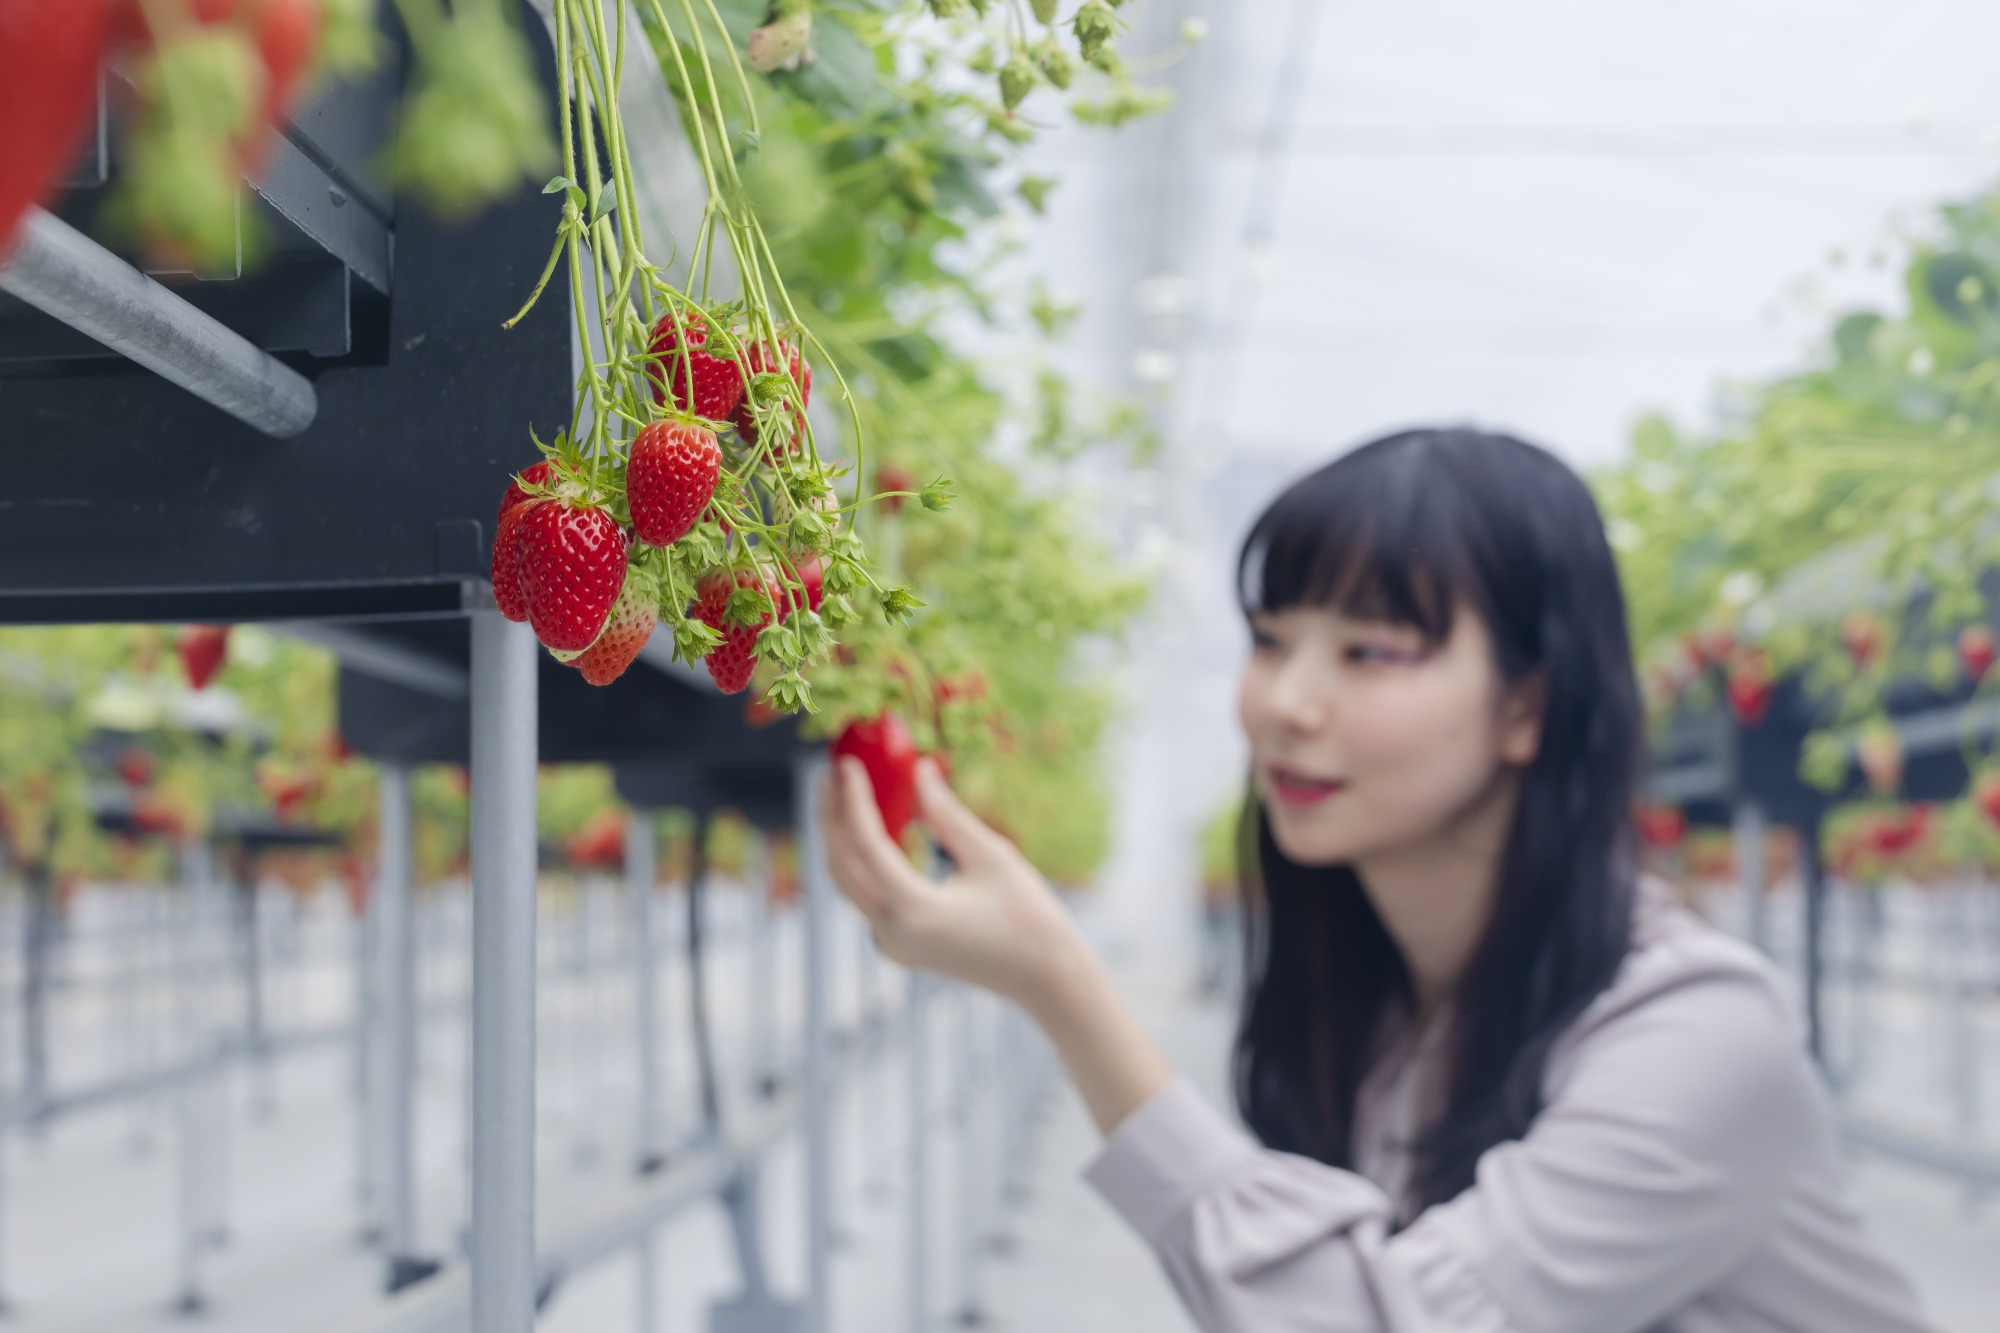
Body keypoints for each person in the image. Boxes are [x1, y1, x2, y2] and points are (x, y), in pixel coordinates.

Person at [819, 427, 1931, 1332]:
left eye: (1371, 652)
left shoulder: (1699, 1036)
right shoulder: (1398, 1015)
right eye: (1270, 639)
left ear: (1527, 706)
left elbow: (1372, 1318)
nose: (1284, 703)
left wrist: (1061, 984)